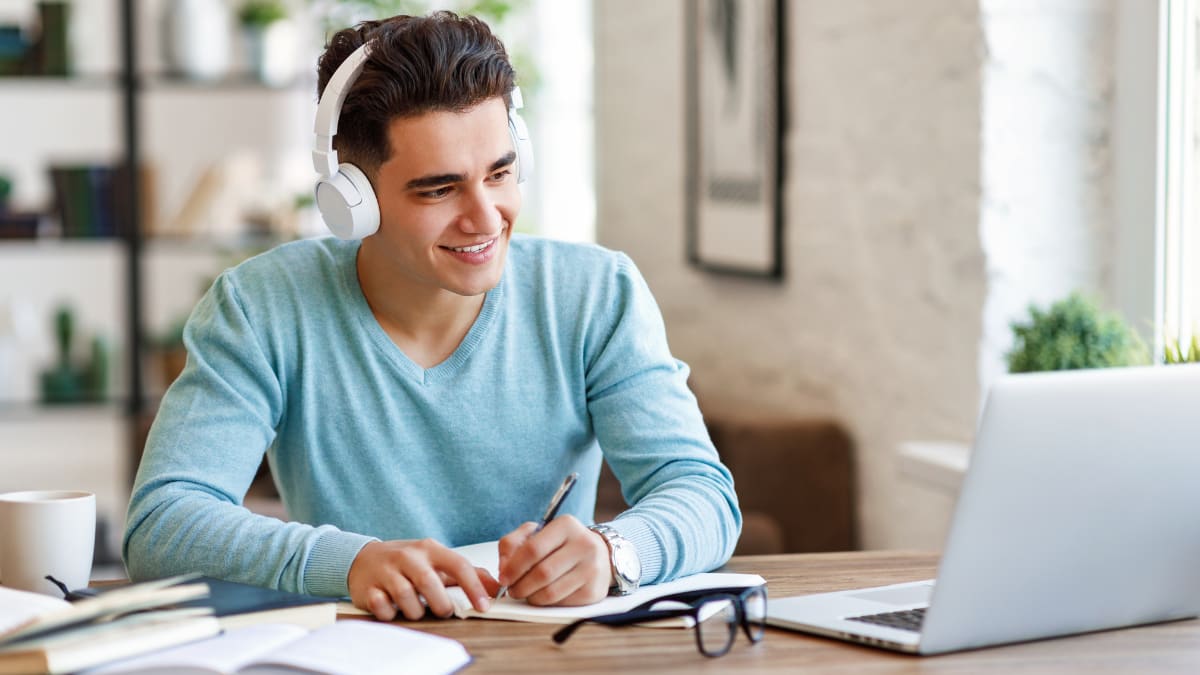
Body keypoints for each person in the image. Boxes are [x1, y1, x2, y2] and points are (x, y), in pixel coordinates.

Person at [123, 11, 741, 621]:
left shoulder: (596, 293)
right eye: (439, 189)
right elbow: (164, 525)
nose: (485, 216)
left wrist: (616, 552)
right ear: (352, 201)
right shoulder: (262, 308)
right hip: (359, 656)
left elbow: (702, 493)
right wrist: (352, 562)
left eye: (500, 173)